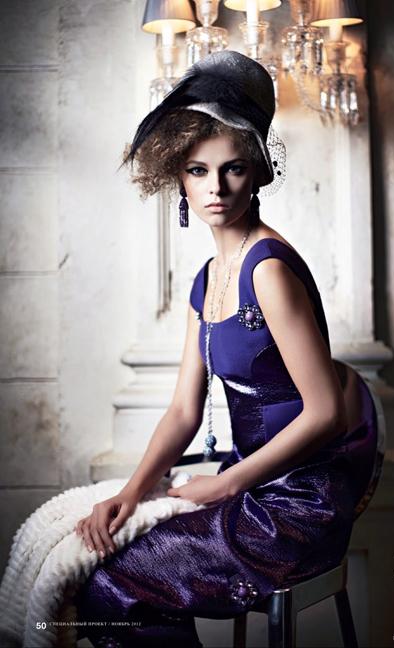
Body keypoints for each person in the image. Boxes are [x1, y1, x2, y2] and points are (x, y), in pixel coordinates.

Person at [74, 50, 376, 648]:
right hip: (253, 485)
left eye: (233, 168)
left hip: (299, 502)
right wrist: (132, 491)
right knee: (103, 562)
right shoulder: (207, 279)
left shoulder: (268, 270)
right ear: (178, 178)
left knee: (113, 581)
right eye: (198, 170)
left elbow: (326, 412)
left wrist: (225, 485)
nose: (215, 187)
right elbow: (184, 411)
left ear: (258, 171)